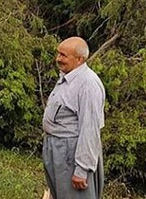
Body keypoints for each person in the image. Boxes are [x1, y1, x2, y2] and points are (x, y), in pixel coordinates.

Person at [43, 37, 106, 199]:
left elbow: (90, 129)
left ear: (79, 59)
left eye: (63, 55)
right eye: (58, 54)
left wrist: (82, 169)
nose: (58, 59)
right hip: (57, 150)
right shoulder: (68, 77)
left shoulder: (88, 84)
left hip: (71, 153)